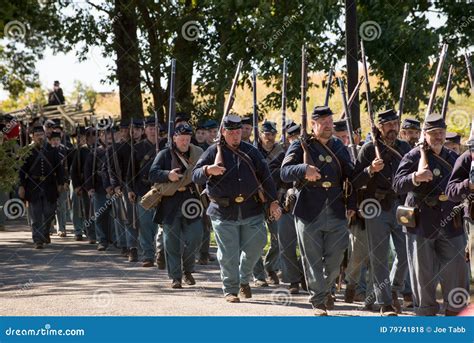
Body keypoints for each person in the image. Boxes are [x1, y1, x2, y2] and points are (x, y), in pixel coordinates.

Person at [193, 115, 281, 303]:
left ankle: (243, 277)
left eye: (238, 132)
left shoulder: (252, 152)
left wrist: (273, 202)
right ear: (223, 132)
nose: (235, 136)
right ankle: (231, 289)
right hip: (223, 211)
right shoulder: (212, 151)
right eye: (231, 132)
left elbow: (266, 177)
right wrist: (209, 169)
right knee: (228, 254)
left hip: (252, 209)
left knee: (257, 245)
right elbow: (196, 175)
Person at [281, 106, 356, 316]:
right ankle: (318, 300)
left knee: (335, 259)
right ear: (313, 125)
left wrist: (352, 205)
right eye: (323, 123)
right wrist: (304, 169)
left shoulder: (338, 147)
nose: (328, 126)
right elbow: (284, 172)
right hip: (308, 209)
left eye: (330, 122)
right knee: (311, 258)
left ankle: (326, 289)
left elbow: (352, 177)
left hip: (336, 208)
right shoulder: (300, 145)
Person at [393, 114, 469, 316]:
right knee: (423, 272)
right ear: (424, 135)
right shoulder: (412, 156)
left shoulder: (454, 158)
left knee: (456, 268)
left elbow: (462, 187)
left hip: (451, 220)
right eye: (434, 133)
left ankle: (455, 312)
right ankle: (425, 313)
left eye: (441, 133)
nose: (438, 137)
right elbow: (397, 185)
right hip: (421, 221)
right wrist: (415, 177)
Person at [353, 109, 411, 316]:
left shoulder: (405, 148)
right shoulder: (369, 149)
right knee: (379, 257)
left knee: (406, 253)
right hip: (375, 207)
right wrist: (370, 170)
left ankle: (394, 289)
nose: (393, 128)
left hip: (401, 205)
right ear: (379, 127)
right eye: (388, 125)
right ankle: (384, 302)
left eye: (395, 124)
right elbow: (354, 181)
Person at [149, 123, 204, 288]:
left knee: (195, 237)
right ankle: (176, 277)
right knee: (171, 242)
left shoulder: (197, 153)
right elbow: (152, 173)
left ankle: (187, 270)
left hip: (191, 201)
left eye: (187, 139)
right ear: (174, 138)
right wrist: (168, 175)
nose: (185, 142)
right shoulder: (165, 154)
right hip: (170, 203)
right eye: (182, 139)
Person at [18, 126, 65, 249]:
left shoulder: (52, 150)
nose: (40, 137)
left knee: (50, 212)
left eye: (41, 134)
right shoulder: (27, 151)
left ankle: (45, 232)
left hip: (49, 185)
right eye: (37, 134)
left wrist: (61, 183)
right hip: (33, 185)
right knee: (36, 214)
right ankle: (38, 239)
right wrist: (22, 186)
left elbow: (59, 169)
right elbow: (22, 171)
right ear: (32, 136)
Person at [128, 117, 164, 267]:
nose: (152, 130)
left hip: (162, 189)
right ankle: (148, 255)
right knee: (145, 224)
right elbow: (131, 171)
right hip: (143, 189)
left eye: (155, 127)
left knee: (162, 225)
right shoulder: (137, 148)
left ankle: (161, 253)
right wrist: (131, 189)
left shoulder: (165, 146)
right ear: (145, 130)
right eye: (149, 127)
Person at [253, 120, 284, 286]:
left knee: (278, 238)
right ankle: (258, 275)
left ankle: (270, 267)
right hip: (255, 201)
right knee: (256, 239)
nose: (270, 137)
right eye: (267, 134)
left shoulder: (282, 152)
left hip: (275, 199)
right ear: (260, 134)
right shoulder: (251, 150)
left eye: (272, 134)